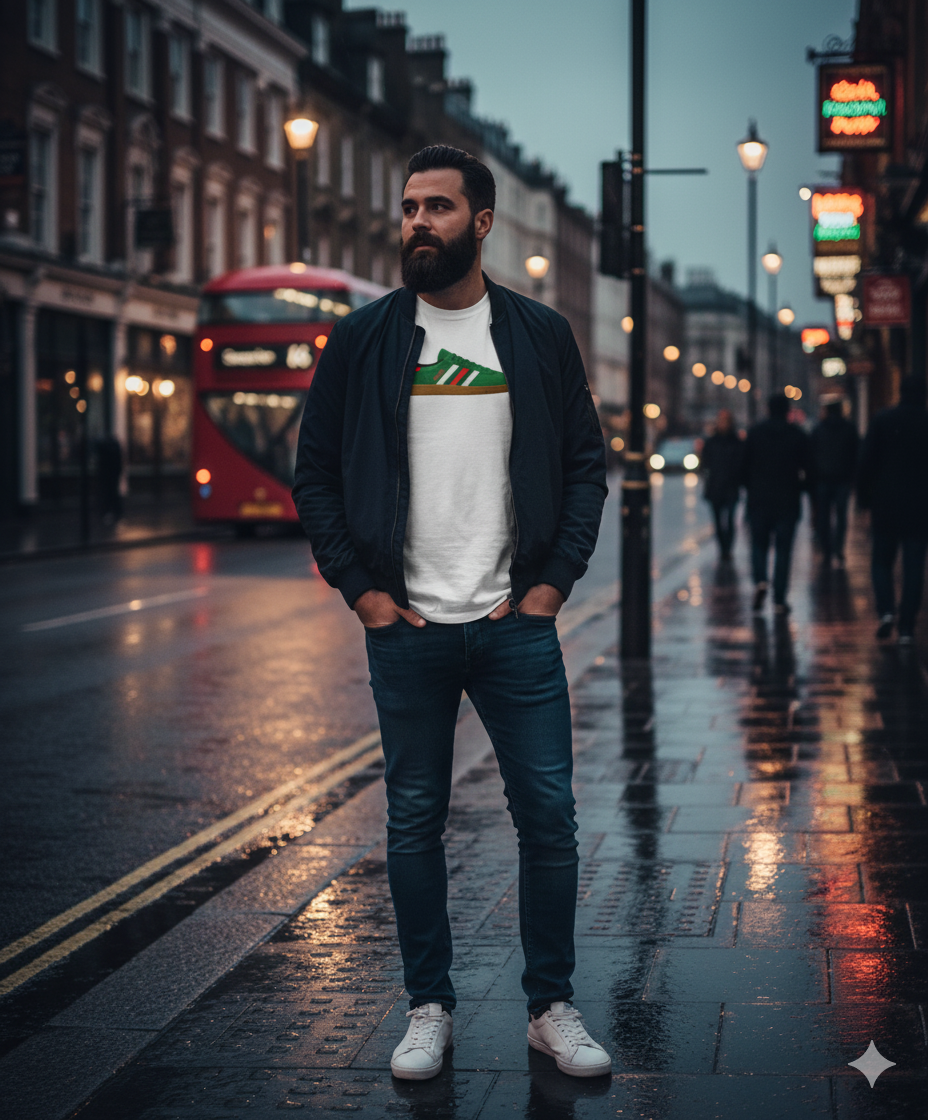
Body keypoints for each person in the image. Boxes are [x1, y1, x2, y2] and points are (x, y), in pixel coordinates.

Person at [292, 146, 611, 1081]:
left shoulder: (540, 335)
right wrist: (363, 591)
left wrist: (553, 583)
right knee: (413, 821)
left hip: (515, 624)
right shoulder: (363, 339)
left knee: (549, 818)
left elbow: (585, 466)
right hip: (411, 630)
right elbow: (314, 475)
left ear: (481, 223)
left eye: (437, 208)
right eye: (408, 208)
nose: (416, 223)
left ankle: (550, 1006)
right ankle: (428, 1005)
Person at [857, 375, 928, 644]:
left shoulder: (883, 420)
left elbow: (866, 463)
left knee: (882, 561)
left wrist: (864, 502)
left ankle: (886, 610)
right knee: (913, 567)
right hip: (920, 506)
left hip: (886, 504)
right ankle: (907, 627)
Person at [741, 392, 811, 614]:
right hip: (787, 500)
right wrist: (801, 488)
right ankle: (780, 598)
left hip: (759, 498)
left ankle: (761, 579)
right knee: (783, 550)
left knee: (758, 545)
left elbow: (743, 465)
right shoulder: (797, 434)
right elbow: (808, 467)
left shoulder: (755, 433)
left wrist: (750, 486)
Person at [810, 399, 858, 567]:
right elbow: (855, 454)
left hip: (823, 479)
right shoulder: (849, 429)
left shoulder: (818, 430)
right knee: (841, 515)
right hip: (843, 480)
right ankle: (838, 547)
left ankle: (827, 549)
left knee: (823, 516)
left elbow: (811, 455)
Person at [700, 409, 743, 560]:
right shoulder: (711, 442)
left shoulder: (736, 442)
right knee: (718, 521)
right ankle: (723, 548)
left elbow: (741, 463)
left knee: (730, 519)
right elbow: (705, 463)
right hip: (715, 487)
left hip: (731, 486)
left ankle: (728, 548)